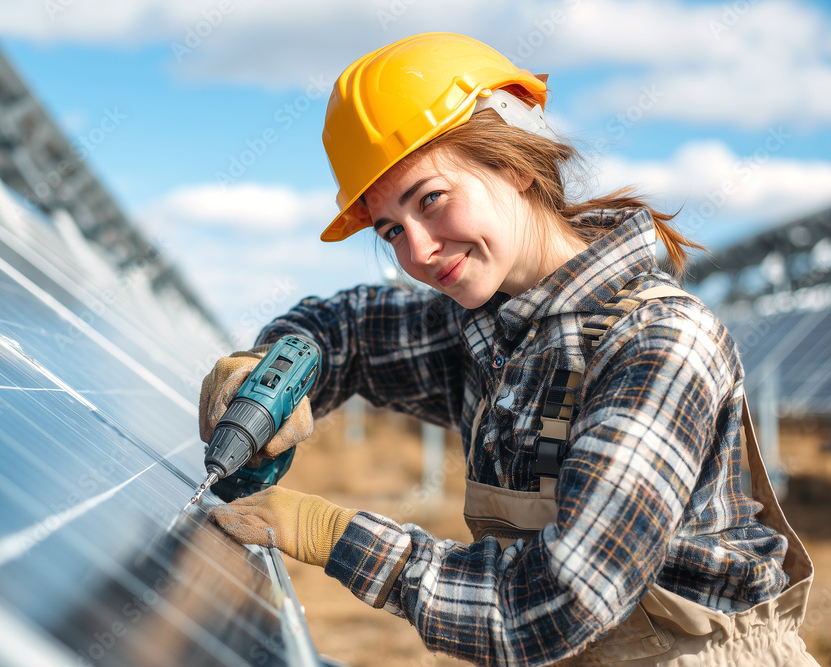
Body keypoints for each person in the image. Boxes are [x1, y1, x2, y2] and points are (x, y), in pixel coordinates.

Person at [204, 33, 818, 666]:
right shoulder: (485, 327)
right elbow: (345, 328)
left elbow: (560, 600)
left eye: (431, 199)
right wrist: (271, 369)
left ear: (516, 163)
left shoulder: (658, 343)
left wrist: (332, 536)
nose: (417, 252)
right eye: (391, 230)